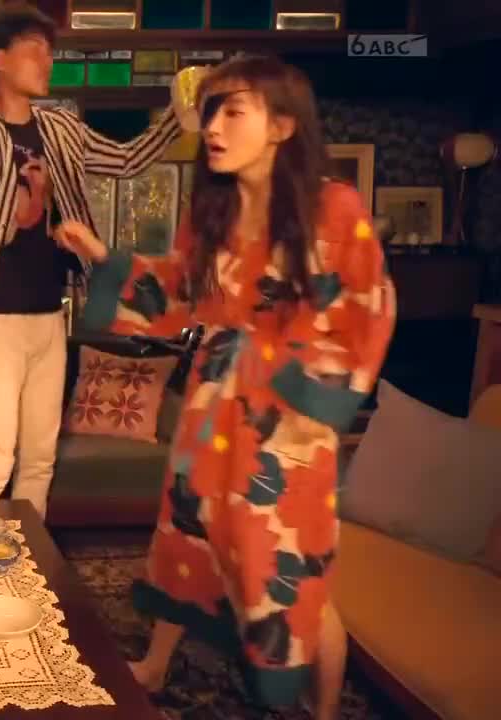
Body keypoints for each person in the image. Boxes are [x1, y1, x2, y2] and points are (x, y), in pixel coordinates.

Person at [57, 56, 396, 719]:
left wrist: (304, 392)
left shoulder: (332, 207)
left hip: (288, 416)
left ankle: (324, 711)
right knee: (188, 537)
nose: (212, 126)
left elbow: (369, 307)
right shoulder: (215, 210)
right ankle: (156, 666)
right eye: (209, 111)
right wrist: (102, 258)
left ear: (283, 125)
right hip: (212, 404)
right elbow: (182, 288)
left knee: (286, 568)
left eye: (232, 111)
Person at [0, 0, 181, 519]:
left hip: (50, 316)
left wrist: (183, 112)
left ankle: (26, 554)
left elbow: (127, 160)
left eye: (50, 51)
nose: (48, 61)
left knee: (39, 460)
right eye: (35, 49)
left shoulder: (60, 128)